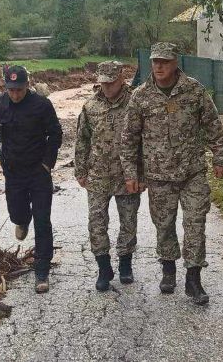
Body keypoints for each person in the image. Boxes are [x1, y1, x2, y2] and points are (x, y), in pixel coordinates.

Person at [120, 42, 223, 305]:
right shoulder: (141, 96)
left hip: (192, 173)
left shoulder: (194, 90)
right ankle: (168, 270)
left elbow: (213, 125)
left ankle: (194, 279)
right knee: (164, 226)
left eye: (164, 62)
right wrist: (130, 173)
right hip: (158, 177)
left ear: (175, 63)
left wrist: (220, 158)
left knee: (195, 223)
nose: (158, 66)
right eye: (155, 61)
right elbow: (128, 138)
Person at [0, 65, 62, 294]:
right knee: (17, 214)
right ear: (5, 88)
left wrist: (48, 163)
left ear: (27, 86)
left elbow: (56, 133)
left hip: (39, 172)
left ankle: (42, 272)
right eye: (11, 90)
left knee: (43, 222)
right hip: (13, 172)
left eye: (19, 90)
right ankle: (22, 219)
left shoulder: (41, 105)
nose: (15, 94)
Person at [75, 61, 142, 292]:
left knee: (129, 221)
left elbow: (146, 141)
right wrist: (80, 170)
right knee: (96, 222)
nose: (107, 87)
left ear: (121, 79)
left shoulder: (136, 103)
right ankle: (104, 267)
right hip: (98, 175)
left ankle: (125, 264)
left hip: (128, 176)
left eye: (111, 83)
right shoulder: (90, 106)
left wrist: (142, 174)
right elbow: (82, 139)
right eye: (103, 83)